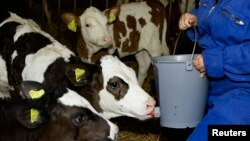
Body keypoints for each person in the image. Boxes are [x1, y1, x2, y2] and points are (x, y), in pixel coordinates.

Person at [178, 0, 250, 140]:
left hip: (243, 91)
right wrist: (195, 18)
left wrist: (216, 60)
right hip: (210, 85)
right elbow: (214, 15)